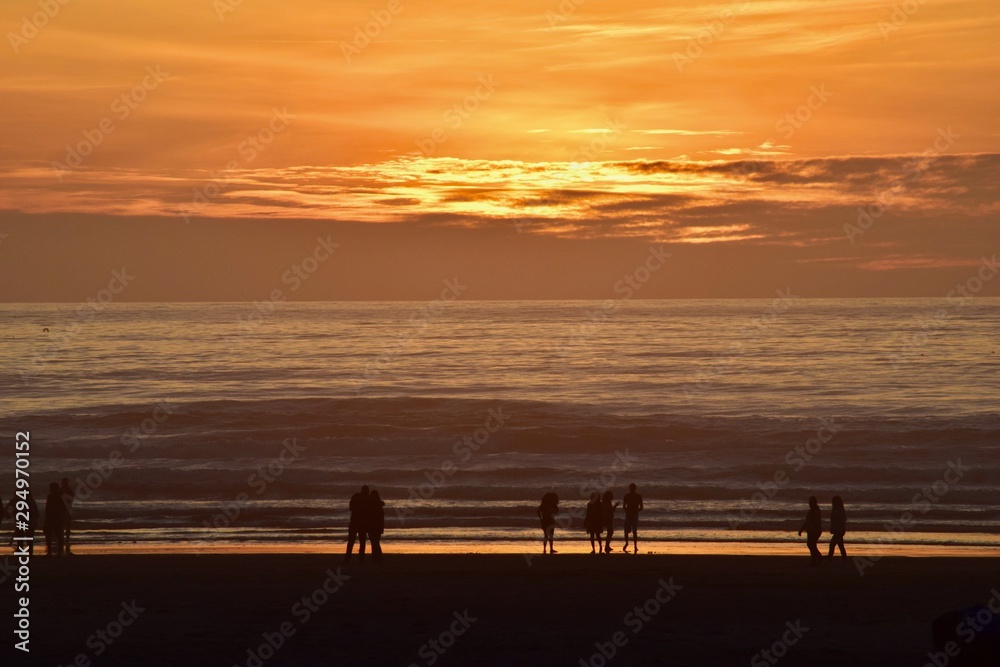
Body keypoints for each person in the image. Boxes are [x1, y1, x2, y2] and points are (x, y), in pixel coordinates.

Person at [7, 488, 38, 556]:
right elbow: (36, 512)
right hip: (28, 521)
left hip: (24, 521)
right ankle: (29, 553)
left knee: (22, 537)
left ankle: (22, 551)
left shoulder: (18, 500)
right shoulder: (30, 500)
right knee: (28, 537)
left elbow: (7, 507)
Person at [345, 485, 370, 563]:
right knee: (362, 541)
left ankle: (347, 558)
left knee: (351, 541)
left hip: (355, 521)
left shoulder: (356, 496)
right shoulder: (368, 498)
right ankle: (361, 559)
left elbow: (351, 507)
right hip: (362, 522)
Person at [44, 482, 68, 557]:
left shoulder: (61, 496)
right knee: (49, 535)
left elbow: (64, 508)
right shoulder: (50, 496)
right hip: (51, 518)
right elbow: (47, 508)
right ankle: (50, 551)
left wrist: (62, 517)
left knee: (59, 535)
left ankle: (59, 552)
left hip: (58, 518)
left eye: (51, 488)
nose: (50, 490)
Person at [797, 496, 823, 566]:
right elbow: (807, 522)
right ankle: (815, 560)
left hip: (815, 531)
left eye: (811, 502)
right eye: (810, 502)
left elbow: (816, 522)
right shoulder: (810, 511)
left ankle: (818, 558)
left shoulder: (817, 511)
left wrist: (813, 530)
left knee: (811, 545)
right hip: (810, 531)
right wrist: (801, 529)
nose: (810, 504)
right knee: (811, 545)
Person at [622, 483, 644, 553]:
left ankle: (633, 545)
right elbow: (624, 506)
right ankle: (629, 544)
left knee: (632, 531)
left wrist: (632, 511)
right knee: (629, 531)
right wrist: (632, 511)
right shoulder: (635, 496)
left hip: (632, 514)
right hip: (631, 514)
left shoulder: (634, 496)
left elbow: (641, 507)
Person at [368, 489, 385, 563]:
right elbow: (381, 518)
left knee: (374, 542)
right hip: (377, 526)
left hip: (372, 526)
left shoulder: (371, 506)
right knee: (376, 542)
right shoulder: (379, 506)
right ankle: (377, 557)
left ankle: (376, 557)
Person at [828, 496, 847, 560]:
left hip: (838, 531)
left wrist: (835, 529)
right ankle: (844, 559)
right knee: (840, 545)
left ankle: (829, 558)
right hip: (839, 530)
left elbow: (838, 521)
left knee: (833, 545)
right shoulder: (839, 509)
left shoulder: (838, 510)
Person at [60, 478, 75, 555]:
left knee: (66, 526)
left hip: (65, 510)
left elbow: (71, 499)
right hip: (64, 510)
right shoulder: (64, 490)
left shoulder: (65, 490)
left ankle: (66, 539)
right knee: (64, 525)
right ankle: (65, 539)